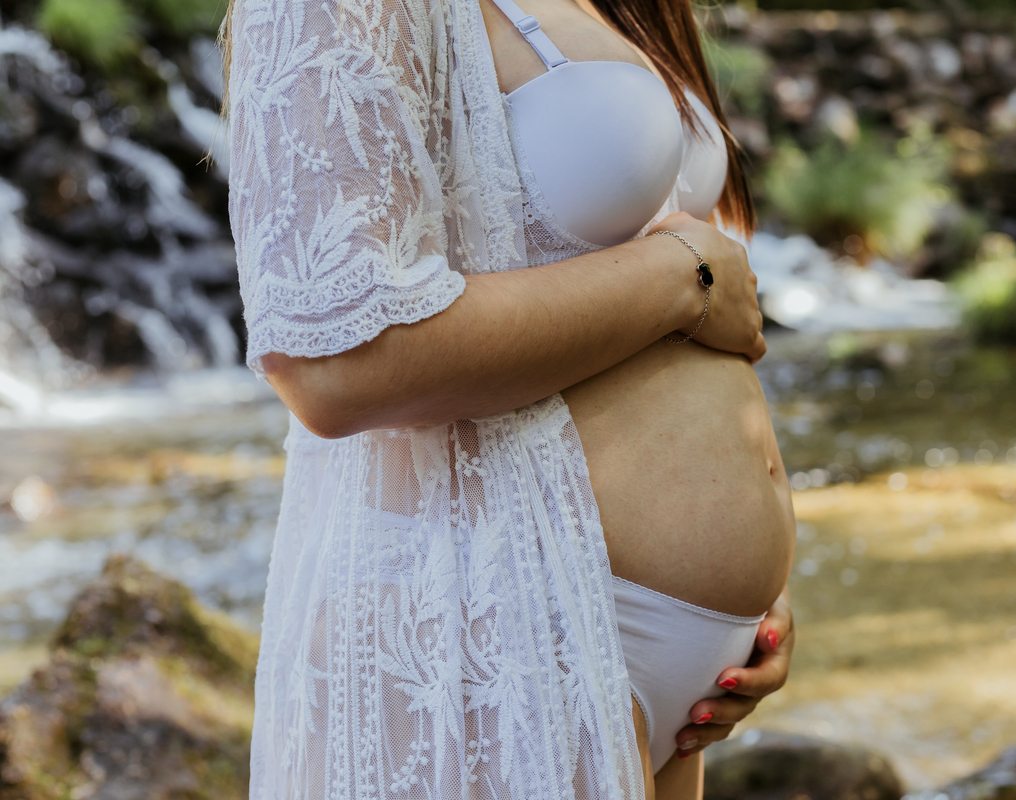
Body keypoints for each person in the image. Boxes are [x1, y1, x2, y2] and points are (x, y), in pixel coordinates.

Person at [223, 0, 797, 794]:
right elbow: (336, 364)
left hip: (653, 670)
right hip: (495, 629)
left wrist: (750, 598)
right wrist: (684, 277)